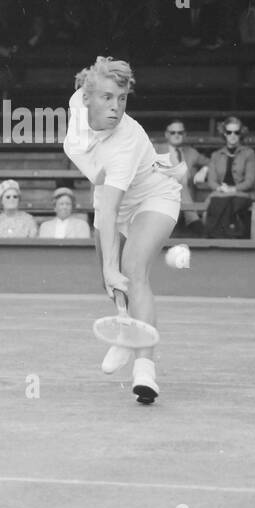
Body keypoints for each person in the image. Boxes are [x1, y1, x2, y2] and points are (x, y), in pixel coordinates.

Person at [62, 56, 186, 404]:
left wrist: (111, 266)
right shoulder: (77, 102)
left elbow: (116, 208)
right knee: (110, 278)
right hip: (108, 193)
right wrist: (107, 269)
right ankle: (124, 332)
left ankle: (145, 369)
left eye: (123, 99)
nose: (116, 107)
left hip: (153, 195)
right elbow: (106, 200)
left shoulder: (125, 141)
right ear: (86, 98)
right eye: (107, 97)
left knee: (131, 270)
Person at [203, 116, 255, 238]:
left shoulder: (249, 153)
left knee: (230, 202)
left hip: (241, 194)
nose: (232, 135)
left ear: (241, 134)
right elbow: (211, 181)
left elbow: (250, 181)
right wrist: (220, 188)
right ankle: (223, 236)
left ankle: (225, 236)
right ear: (224, 134)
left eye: (236, 132)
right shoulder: (215, 155)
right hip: (220, 193)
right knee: (219, 201)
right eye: (229, 132)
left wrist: (233, 189)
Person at [157, 119, 208, 236]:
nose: (176, 135)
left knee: (178, 186)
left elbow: (211, 163)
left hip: (183, 196)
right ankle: (194, 221)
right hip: (160, 193)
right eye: (173, 132)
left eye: (180, 133)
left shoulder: (191, 152)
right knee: (176, 184)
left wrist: (204, 170)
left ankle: (192, 220)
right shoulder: (157, 149)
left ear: (184, 135)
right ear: (166, 134)